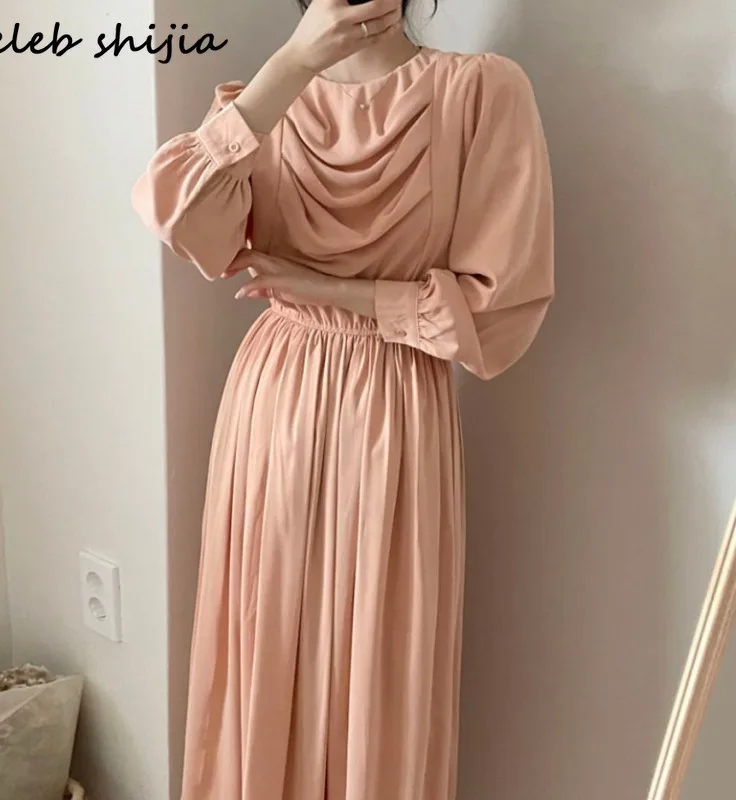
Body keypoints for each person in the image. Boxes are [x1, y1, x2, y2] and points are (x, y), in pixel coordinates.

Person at [132, 0, 554, 796]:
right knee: (264, 640)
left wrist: (335, 291)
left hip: (395, 405)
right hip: (276, 401)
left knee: (380, 660)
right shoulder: (263, 102)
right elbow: (174, 212)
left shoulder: (480, 91)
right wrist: (291, 65)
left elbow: (500, 309)